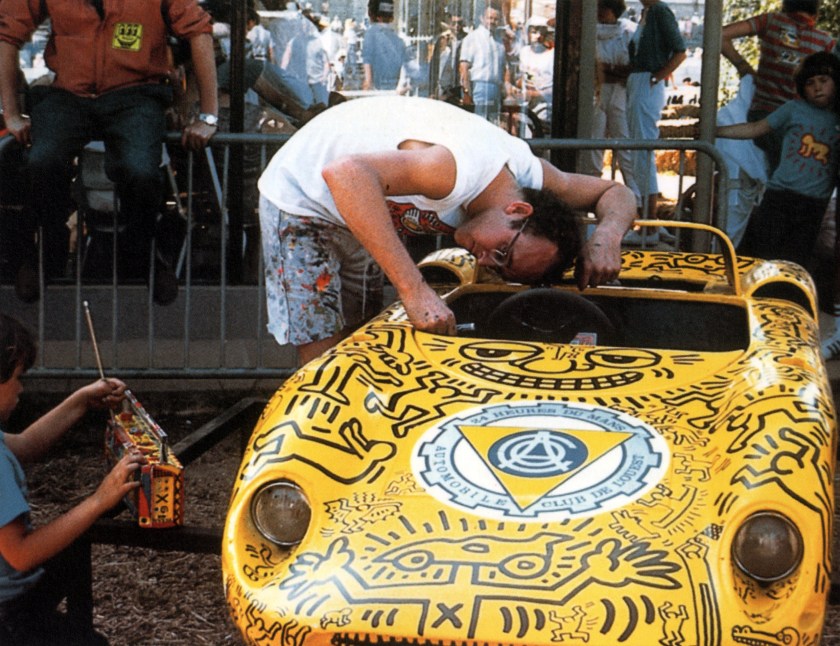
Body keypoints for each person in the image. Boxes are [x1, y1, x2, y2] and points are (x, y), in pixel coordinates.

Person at [257, 96, 637, 365]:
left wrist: (605, 238)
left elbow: (615, 192)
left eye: (500, 268)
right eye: (502, 253)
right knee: (322, 345)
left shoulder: (528, 176)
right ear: (517, 210)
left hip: (357, 206)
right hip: (302, 196)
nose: (484, 260)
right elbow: (344, 174)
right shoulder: (457, 171)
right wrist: (414, 289)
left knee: (360, 339)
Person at [0, 0, 219, 306]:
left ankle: (145, 249)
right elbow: (7, 32)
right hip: (69, 94)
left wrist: (208, 116)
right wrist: (11, 112)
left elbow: (199, 29)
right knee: (42, 160)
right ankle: (48, 245)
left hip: (136, 93)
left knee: (140, 169)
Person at [0, 313, 145, 645]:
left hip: (13, 599)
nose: (22, 387)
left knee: (72, 555)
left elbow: (24, 445)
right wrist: (98, 499)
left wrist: (81, 401)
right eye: (18, 378)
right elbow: (19, 554)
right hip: (9, 615)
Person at [716, 52, 840, 280]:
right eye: (810, 83)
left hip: (814, 204)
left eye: (824, 81)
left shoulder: (837, 118)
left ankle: (786, 304)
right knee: (764, 256)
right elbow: (756, 128)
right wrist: (717, 131)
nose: (817, 88)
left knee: (796, 263)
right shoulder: (794, 109)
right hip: (779, 196)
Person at [721, 0, 836, 175]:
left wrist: (742, 66)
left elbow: (720, 35)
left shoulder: (770, 21)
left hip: (762, 116)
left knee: (779, 174)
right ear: (816, 13)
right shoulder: (826, 42)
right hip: (802, 122)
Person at [625, 0, 686, 241]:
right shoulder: (646, 12)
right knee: (640, 151)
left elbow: (680, 50)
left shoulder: (660, 11)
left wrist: (656, 77)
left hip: (646, 82)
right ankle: (650, 222)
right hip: (639, 81)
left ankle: (649, 226)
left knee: (642, 151)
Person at [578, 0, 639, 202]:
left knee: (624, 145)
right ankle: (592, 198)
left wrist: (604, 68)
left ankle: (636, 198)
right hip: (597, 91)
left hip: (619, 92)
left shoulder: (628, 33)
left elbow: (630, 69)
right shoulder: (589, 32)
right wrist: (609, 70)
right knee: (595, 147)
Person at [459, 3, 509, 124]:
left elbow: (504, 68)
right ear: (482, 18)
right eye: (489, 18)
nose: (492, 21)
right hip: (479, 87)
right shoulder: (472, 38)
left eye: (496, 19)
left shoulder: (499, 41)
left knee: (493, 124)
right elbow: (464, 68)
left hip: (495, 88)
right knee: (479, 123)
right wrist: (466, 92)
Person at [515, 15, 554, 131]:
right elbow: (521, 76)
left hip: (544, 108)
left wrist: (535, 94)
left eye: (541, 32)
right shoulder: (524, 52)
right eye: (534, 32)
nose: (538, 36)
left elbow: (554, 88)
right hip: (526, 108)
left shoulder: (552, 55)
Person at [361, 0, 408, 92]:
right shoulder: (399, 40)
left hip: (376, 93)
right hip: (393, 93)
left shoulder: (370, 34)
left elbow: (368, 78)